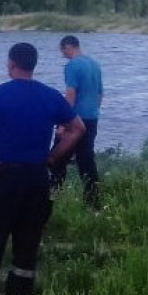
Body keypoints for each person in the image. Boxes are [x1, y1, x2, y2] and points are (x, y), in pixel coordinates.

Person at [0, 42, 85, 295]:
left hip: (3, 176)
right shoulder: (51, 96)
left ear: (12, 64)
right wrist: (53, 157)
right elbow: (78, 129)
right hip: (36, 177)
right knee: (28, 242)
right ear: (33, 65)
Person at [50, 35, 104, 208]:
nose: (62, 54)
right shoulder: (95, 64)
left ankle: (52, 196)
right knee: (86, 160)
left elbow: (71, 95)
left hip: (74, 121)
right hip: (92, 118)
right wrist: (93, 111)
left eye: (62, 51)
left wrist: (62, 123)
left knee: (56, 157)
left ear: (68, 47)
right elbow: (100, 94)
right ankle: (93, 203)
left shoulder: (72, 66)